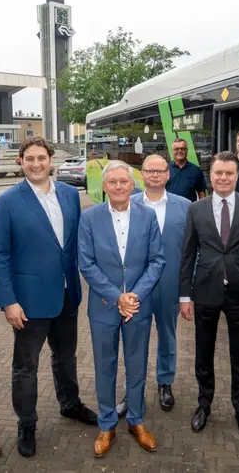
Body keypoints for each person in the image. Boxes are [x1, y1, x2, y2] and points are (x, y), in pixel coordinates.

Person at [0, 136, 97, 458]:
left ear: (52, 160)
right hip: (28, 302)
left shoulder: (68, 194)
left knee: (66, 357)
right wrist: (8, 301)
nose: (36, 164)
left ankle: (70, 403)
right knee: (26, 367)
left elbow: (72, 245)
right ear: (20, 162)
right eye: (29, 158)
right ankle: (26, 422)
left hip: (67, 295)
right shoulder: (7, 202)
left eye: (41, 158)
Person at [78, 160, 166, 458]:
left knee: (137, 365)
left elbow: (157, 260)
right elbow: (86, 263)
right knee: (104, 367)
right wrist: (117, 297)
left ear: (132, 185)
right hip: (104, 306)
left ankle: (136, 420)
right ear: (104, 186)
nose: (117, 186)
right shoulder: (89, 218)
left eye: (123, 181)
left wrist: (135, 296)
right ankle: (106, 424)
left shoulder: (148, 216)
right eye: (112, 182)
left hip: (138, 307)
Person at [179, 151, 239, 439]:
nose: (223, 178)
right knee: (203, 352)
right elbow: (188, 254)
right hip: (205, 290)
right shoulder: (196, 209)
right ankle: (204, 404)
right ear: (211, 176)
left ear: (237, 176)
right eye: (218, 173)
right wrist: (184, 295)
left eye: (229, 173)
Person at [116, 154, 191, 417]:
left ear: (168, 174)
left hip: (170, 285)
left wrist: (186, 293)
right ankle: (131, 389)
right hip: (137, 288)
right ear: (142, 175)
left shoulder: (185, 206)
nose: (155, 175)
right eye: (150, 170)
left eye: (160, 170)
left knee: (168, 336)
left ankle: (165, 382)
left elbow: (192, 251)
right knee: (135, 339)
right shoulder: (128, 203)